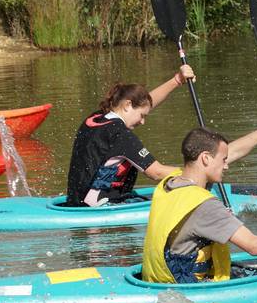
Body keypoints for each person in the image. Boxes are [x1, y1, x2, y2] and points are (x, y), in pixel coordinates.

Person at [141, 121, 257, 284]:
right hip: (188, 286)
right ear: (205, 158)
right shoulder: (204, 204)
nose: (226, 166)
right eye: (224, 160)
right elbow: (253, 245)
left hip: (159, 279)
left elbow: (234, 151)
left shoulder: (169, 183)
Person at [65, 68, 193, 207]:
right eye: (142, 116)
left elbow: (145, 103)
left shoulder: (97, 117)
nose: (143, 122)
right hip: (97, 208)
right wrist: (194, 173)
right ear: (127, 105)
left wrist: (177, 81)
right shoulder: (121, 135)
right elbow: (156, 172)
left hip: (76, 200)